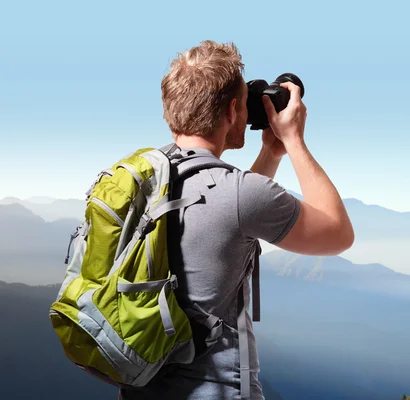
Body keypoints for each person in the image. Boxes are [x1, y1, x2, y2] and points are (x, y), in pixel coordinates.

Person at [118, 40, 354, 400]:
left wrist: (269, 154)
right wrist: (293, 141)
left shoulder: (139, 178)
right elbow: (338, 233)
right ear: (231, 111)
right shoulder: (237, 194)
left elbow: (229, 215)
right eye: (246, 103)